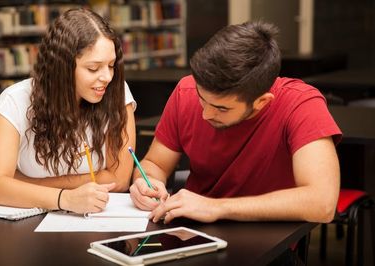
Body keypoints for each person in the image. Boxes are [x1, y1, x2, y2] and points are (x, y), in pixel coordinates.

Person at [129, 21, 342, 224]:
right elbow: (154, 164)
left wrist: (217, 208)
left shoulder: (300, 104)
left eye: (222, 108)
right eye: (202, 98)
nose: (206, 114)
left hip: (268, 237)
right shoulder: (186, 91)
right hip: (191, 230)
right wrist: (146, 182)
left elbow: (322, 203)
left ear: (261, 102)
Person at [0, 8, 136, 214]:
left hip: (98, 219)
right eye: (93, 68)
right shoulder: (15, 101)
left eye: (111, 65)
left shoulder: (117, 91)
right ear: (62, 68)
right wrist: (65, 198)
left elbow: (119, 180)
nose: (107, 77)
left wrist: (23, 184)